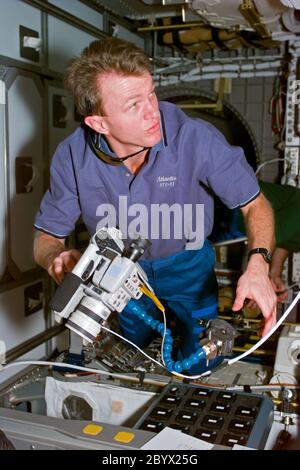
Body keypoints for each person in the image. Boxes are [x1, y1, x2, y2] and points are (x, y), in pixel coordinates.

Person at [33, 37, 277, 374]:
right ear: (99, 123)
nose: (153, 111)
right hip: (120, 276)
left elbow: (255, 204)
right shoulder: (72, 157)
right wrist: (56, 260)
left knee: (203, 355)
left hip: (189, 267)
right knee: (137, 351)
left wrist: (259, 264)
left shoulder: (194, 137)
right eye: (134, 104)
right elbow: (46, 240)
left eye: (152, 94)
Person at [210, 180, 300, 302]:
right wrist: (256, 279)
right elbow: (267, 237)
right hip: (235, 205)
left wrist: (275, 273)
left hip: (238, 223)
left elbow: (286, 243)